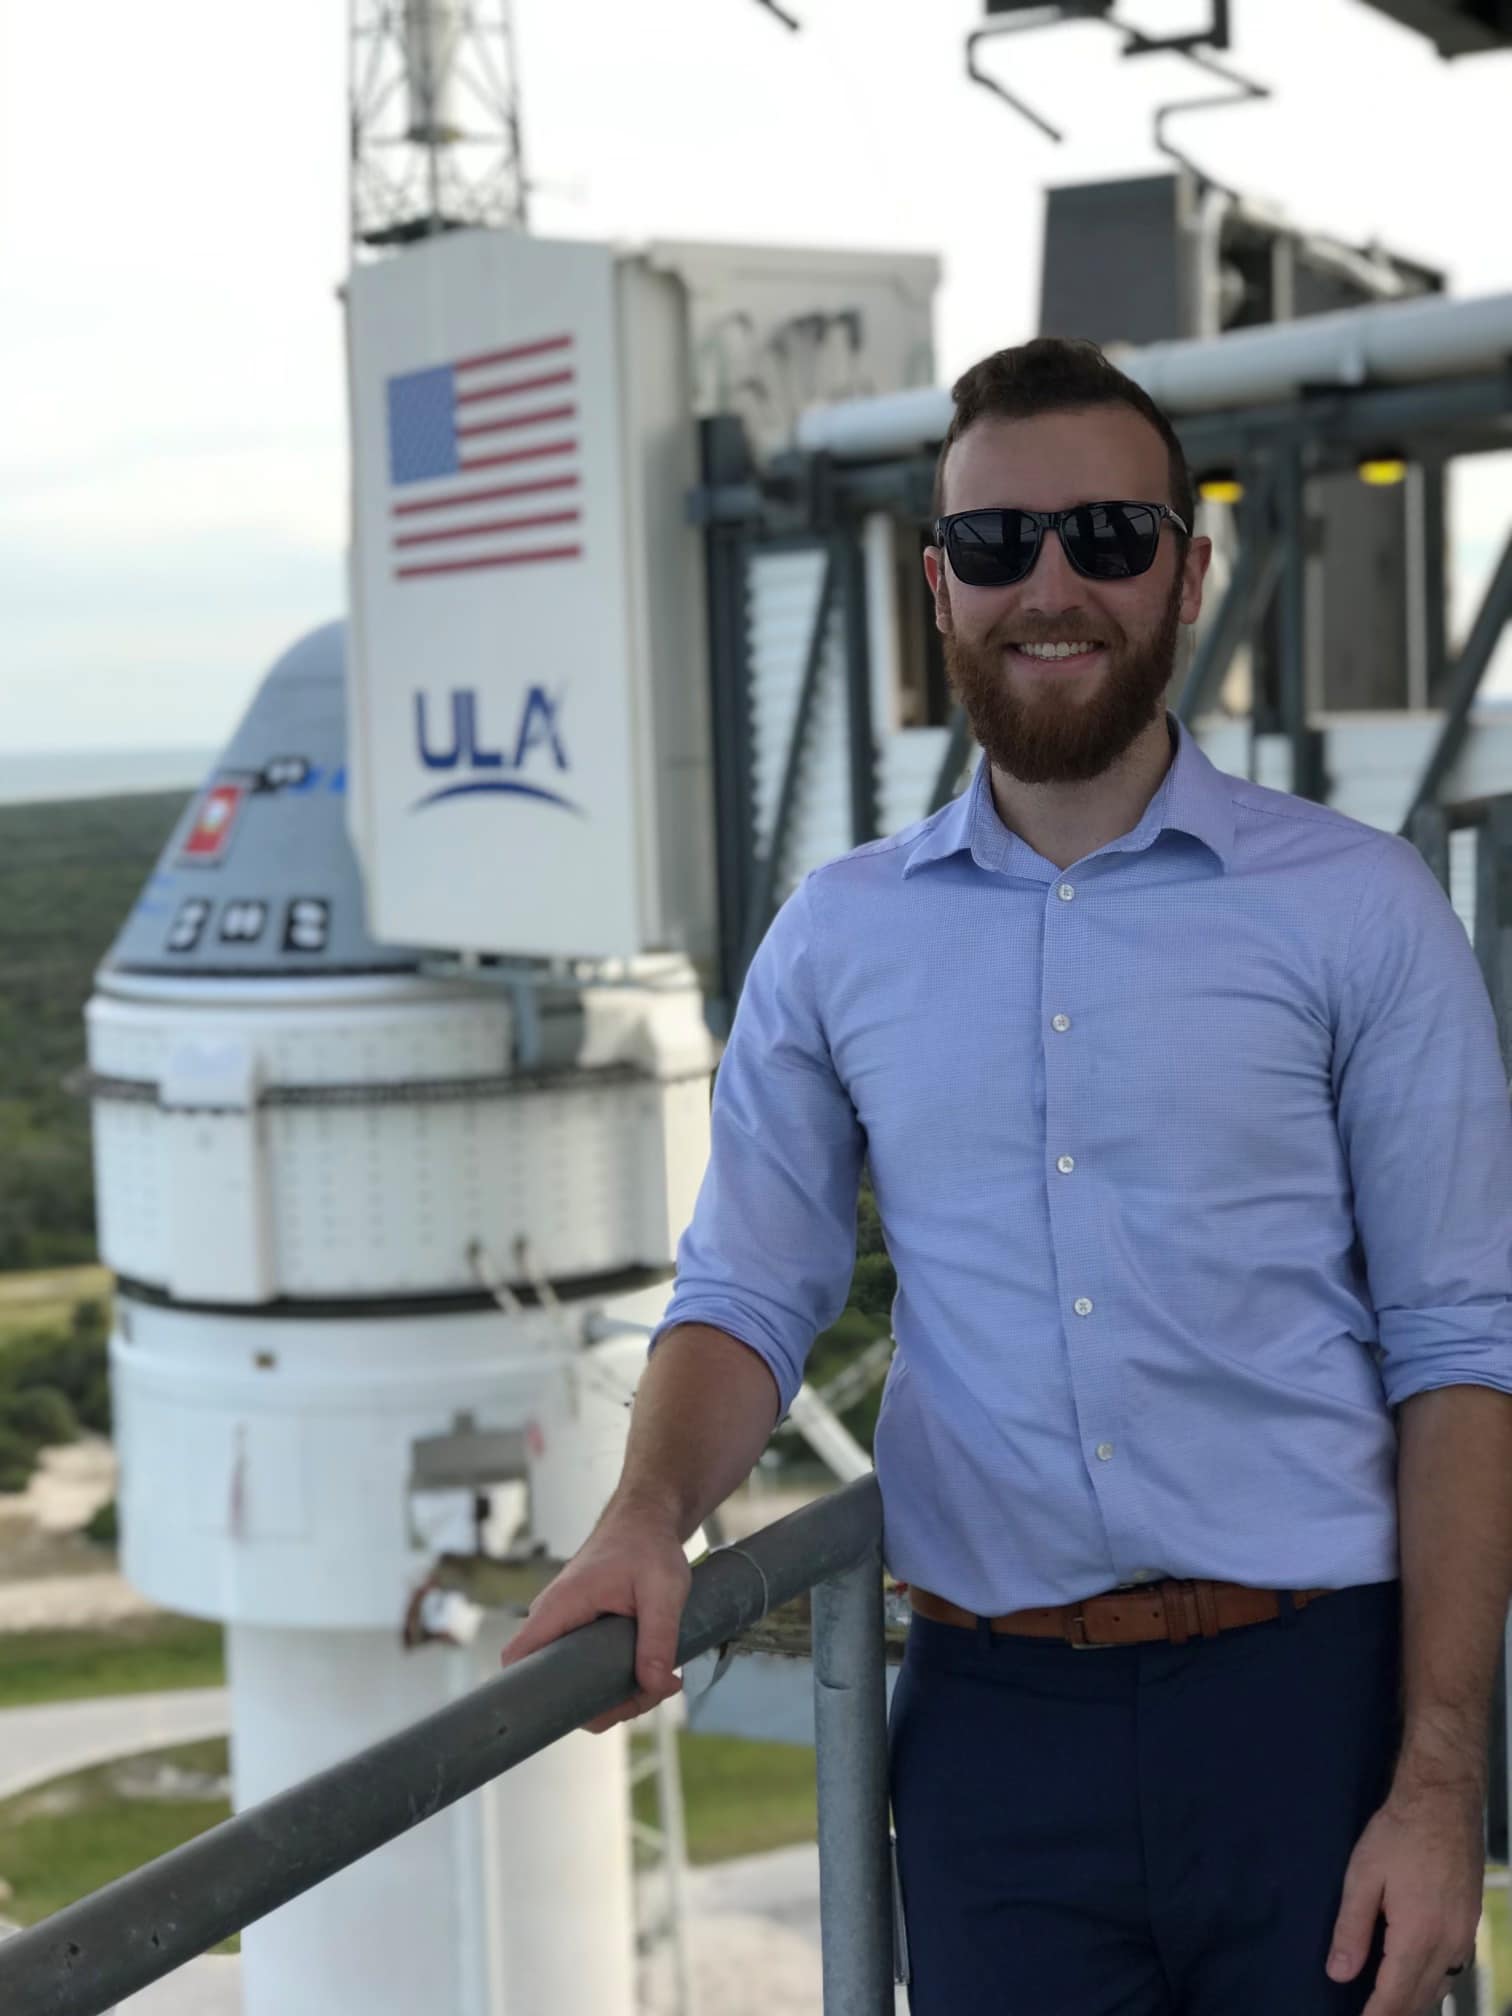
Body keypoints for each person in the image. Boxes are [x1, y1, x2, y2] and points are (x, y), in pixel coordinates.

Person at [499, 336, 1512, 2014]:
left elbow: (1463, 1344)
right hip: (990, 1740)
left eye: (1109, 538)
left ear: (1190, 569)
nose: (1053, 585)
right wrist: (647, 1515)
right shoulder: (838, 937)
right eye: (998, 547)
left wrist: (1441, 1782)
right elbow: (750, 1287)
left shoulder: (1357, 907)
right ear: (939, 585)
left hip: (1312, 1710)